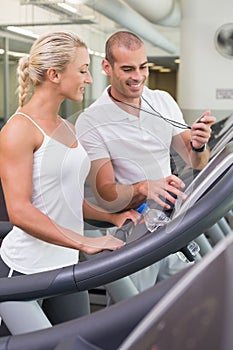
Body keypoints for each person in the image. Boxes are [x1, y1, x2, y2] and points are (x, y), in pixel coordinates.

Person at [0, 31, 138, 333]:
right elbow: (19, 212)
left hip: (65, 266)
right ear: (53, 74)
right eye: (83, 69)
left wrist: (112, 217)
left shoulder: (66, 128)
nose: (88, 79)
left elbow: (66, 198)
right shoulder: (19, 130)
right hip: (25, 270)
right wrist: (85, 241)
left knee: (81, 340)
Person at [75, 31, 216, 301]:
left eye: (143, 67)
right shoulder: (91, 120)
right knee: (138, 313)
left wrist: (199, 144)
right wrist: (144, 188)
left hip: (172, 222)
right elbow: (105, 193)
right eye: (127, 69)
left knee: (193, 302)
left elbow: (197, 161)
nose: (137, 76)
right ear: (107, 67)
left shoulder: (162, 100)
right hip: (133, 232)